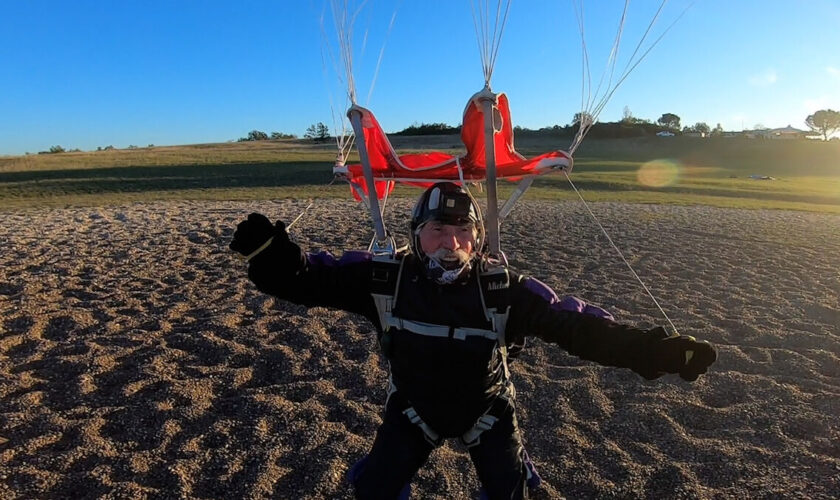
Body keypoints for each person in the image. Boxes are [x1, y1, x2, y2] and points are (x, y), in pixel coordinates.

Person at [230, 182, 717, 500]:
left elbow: (581, 327)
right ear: (416, 235)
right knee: (374, 491)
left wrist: (657, 352)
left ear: (479, 239)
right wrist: (274, 259)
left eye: (463, 231)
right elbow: (313, 280)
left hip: (489, 415)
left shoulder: (503, 290)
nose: (451, 243)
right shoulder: (384, 279)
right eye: (437, 230)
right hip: (411, 411)